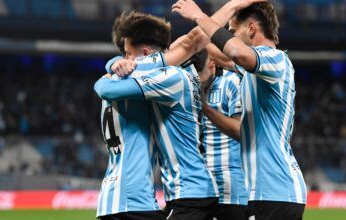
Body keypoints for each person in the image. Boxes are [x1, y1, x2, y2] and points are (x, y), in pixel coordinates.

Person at [173, 0, 307, 219]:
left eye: (233, 31)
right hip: (266, 192)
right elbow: (207, 49)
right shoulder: (252, 72)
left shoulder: (276, 59)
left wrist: (199, 15)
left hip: (277, 191)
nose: (230, 36)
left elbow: (235, 50)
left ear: (251, 28)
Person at [96, 12, 220, 220]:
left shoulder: (122, 82)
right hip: (134, 199)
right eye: (124, 55)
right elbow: (186, 46)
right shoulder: (141, 84)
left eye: (127, 53)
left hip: (114, 198)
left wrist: (111, 67)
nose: (127, 60)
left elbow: (103, 87)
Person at [192, 47, 247, 220]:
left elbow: (240, 129)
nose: (199, 81)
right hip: (201, 187)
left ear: (212, 64)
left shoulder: (231, 83)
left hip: (232, 188)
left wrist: (206, 108)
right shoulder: (188, 85)